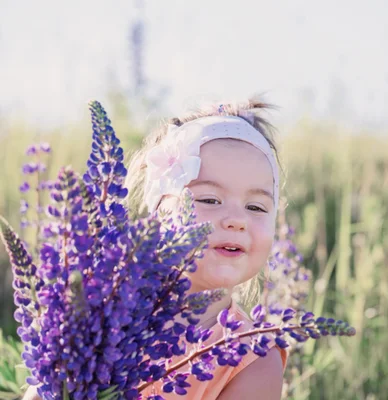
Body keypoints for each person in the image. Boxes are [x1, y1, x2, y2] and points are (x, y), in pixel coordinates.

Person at [23, 97, 288, 400]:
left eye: (256, 206)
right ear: (158, 214)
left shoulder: (254, 355)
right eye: (209, 200)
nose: (237, 220)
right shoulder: (101, 313)